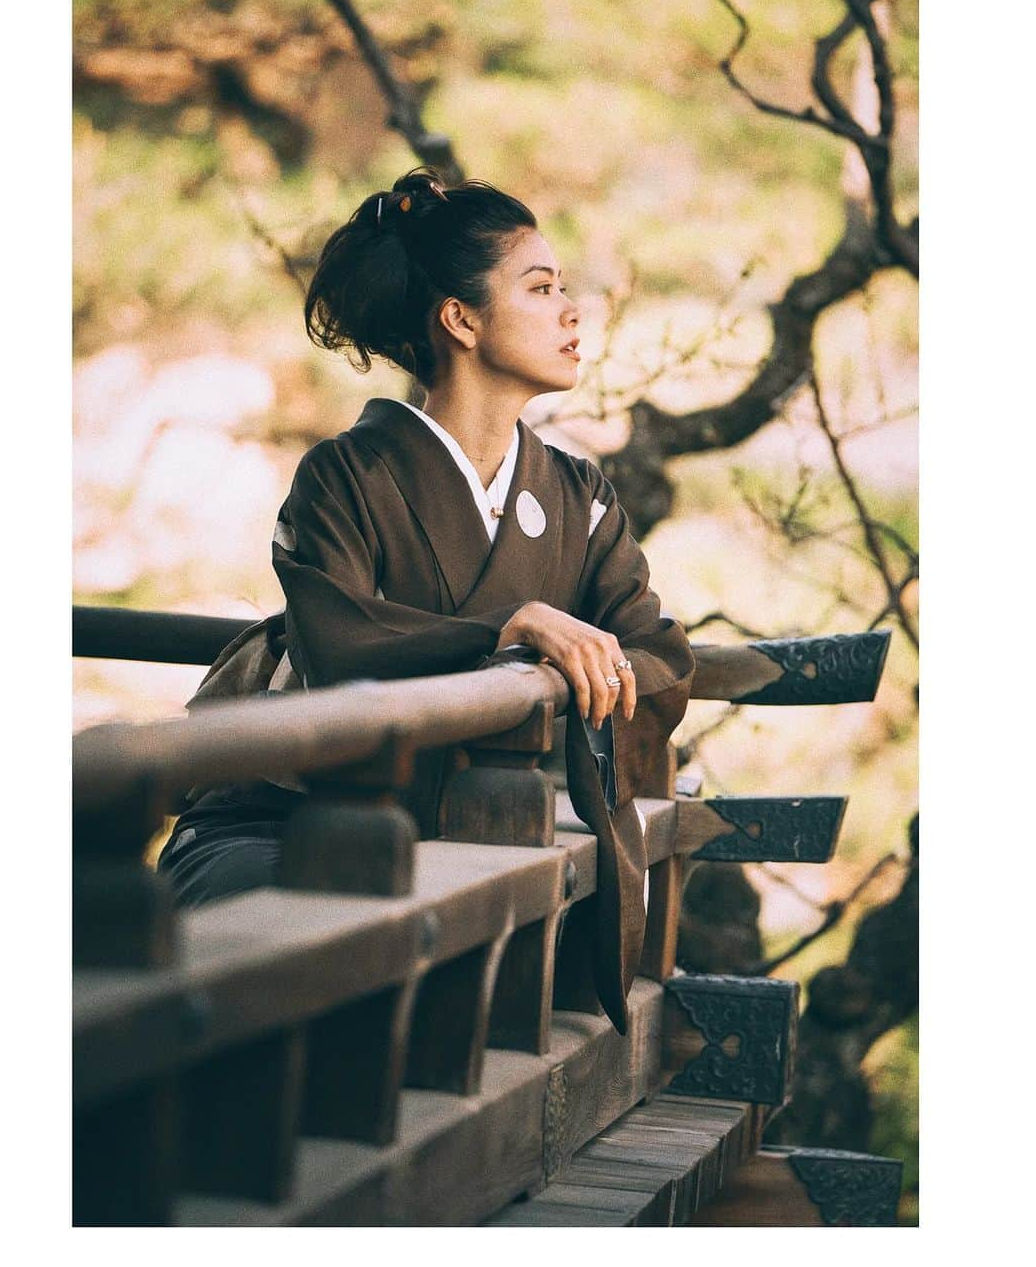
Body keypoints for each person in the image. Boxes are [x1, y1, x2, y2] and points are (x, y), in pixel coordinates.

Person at [157, 166, 695, 1033]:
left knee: (490, 920)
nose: (572, 311)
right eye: (543, 287)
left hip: (476, 838)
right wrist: (513, 631)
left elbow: (658, 659)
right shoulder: (346, 476)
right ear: (461, 319)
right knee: (318, 931)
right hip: (294, 821)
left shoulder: (579, 493)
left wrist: (560, 675)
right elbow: (341, 646)